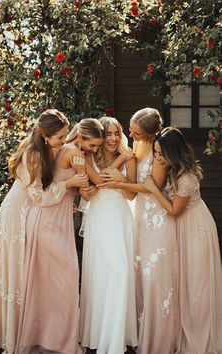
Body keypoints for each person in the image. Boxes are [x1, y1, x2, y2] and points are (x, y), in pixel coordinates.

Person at [0, 109, 88, 354]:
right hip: (18, 215)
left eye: (65, 136)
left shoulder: (43, 148)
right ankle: (19, 333)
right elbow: (39, 196)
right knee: (20, 275)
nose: (63, 142)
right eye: (59, 138)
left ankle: (37, 329)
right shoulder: (32, 154)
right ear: (44, 136)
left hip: (32, 210)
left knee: (31, 276)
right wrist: (69, 184)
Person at [14, 118, 106, 354]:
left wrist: (75, 188)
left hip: (53, 220)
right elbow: (88, 189)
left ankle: (46, 337)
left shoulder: (56, 149)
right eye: (93, 145)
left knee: (46, 283)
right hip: (48, 220)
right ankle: (61, 342)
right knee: (65, 280)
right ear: (82, 137)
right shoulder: (72, 152)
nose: (93, 150)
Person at [99, 108, 178, 354]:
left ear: (151, 133)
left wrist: (117, 183)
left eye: (136, 131)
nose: (130, 133)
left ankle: (161, 335)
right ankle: (141, 330)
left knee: (155, 277)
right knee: (139, 272)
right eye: (130, 129)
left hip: (158, 217)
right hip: (139, 216)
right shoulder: (136, 144)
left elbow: (151, 185)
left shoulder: (159, 151)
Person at [143, 127, 222, 354]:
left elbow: (174, 210)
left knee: (196, 284)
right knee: (183, 282)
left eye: (160, 153)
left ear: (173, 152)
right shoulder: (171, 168)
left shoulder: (186, 176)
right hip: (182, 227)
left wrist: (152, 190)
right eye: (155, 152)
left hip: (196, 229)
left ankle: (201, 337)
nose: (157, 157)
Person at [79, 116, 138, 354]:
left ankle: (119, 336)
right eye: (109, 134)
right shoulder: (88, 156)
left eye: (117, 133)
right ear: (101, 136)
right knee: (102, 275)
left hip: (121, 218)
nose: (114, 138)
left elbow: (132, 195)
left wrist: (123, 176)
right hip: (100, 218)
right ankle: (98, 334)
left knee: (122, 273)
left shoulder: (129, 158)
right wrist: (121, 160)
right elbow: (97, 183)